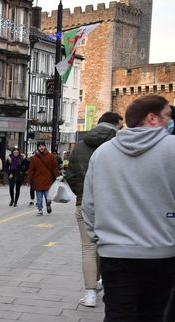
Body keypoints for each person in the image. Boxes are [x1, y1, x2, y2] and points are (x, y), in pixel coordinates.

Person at [82, 94, 175, 322]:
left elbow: (89, 202)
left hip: (115, 251)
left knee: (117, 317)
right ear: (151, 118)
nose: (168, 120)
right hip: (162, 251)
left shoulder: (104, 153)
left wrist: (99, 236)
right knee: (151, 315)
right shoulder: (172, 149)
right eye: (166, 114)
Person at [65, 111, 123, 308]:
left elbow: (71, 175)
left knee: (89, 248)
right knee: (112, 247)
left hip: (84, 203)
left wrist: (82, 193)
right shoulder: (121, 145)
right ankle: (110, 286)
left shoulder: (80, 147)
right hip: (114, 205)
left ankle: (90, 293)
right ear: (116, 125)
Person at [25, 142, 60, 215]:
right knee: (39, 197)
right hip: (38, 180)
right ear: (37, 148)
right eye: (40, 146)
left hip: (48, 179)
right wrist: (28, 180)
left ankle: (48, 204)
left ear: (45, 147)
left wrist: (57, 176)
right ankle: (40, 209)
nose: (41, 148)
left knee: (48, 196)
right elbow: (31, 170)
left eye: (43, 146)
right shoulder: (34, 158)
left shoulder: (51, 156)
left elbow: (55, 167)